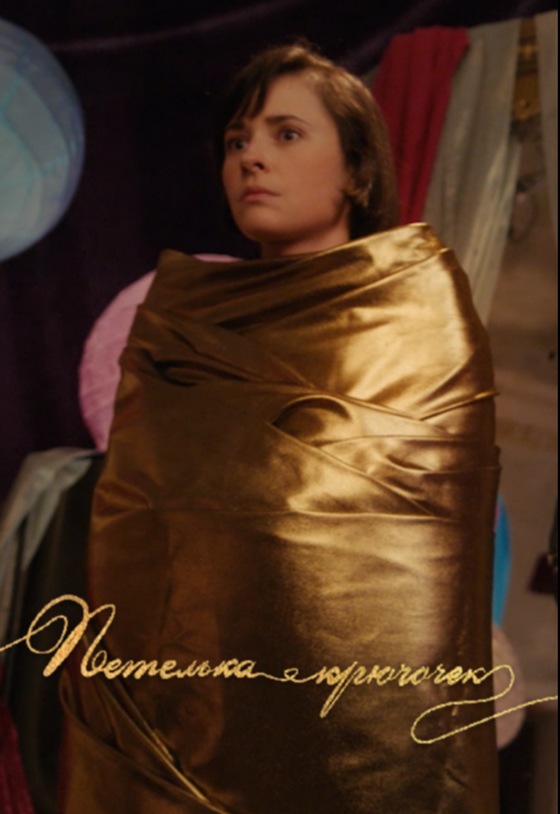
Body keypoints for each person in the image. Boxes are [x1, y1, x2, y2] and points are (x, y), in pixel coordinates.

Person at [60, 43, 500, 813]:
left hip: (363, 731)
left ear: (357, 172)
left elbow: (422, 556)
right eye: (238, 141)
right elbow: (132, 530)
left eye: (286, 134)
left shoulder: (417, 313)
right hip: (175, 722)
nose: (251, 158)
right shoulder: (176, 323)